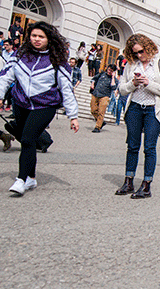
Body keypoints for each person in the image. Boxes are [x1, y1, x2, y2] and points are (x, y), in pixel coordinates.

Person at [0, 21, 80, 195]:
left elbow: (66, 88)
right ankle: (31, 178)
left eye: (41, 37)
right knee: (26, 140)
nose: (36, 39)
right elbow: (5, 77)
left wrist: (73, 115)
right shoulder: (19, 55)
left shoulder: (58, 61)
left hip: (45, 105)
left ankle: (21, 180)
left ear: (48, 39)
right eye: (34, 36)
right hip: (20, 103)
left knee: (28, 139)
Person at [115, 34, 160, 198]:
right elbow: (122, 89)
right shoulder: (131, 65)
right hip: (134, 107)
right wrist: (133, 84)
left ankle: (146, 184)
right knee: (132, 146)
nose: (139, 56)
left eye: (141, 52)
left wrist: (149, 84)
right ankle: (128, 181)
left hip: (153, 110)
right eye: (135, 53)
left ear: (148, 48)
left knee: (149, 147)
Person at [89, 64, 118, 132]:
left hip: (105, 96)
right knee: (93, 110)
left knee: (101, 112)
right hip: (95, 93)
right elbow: (94, 78)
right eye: (109, 69)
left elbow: (113, 87)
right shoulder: (102, 74)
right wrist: (92, 84)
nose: (109, 71)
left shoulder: (114, 80)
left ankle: (98, 127)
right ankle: (101, 122)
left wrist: (113, 77)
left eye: (111, 71)